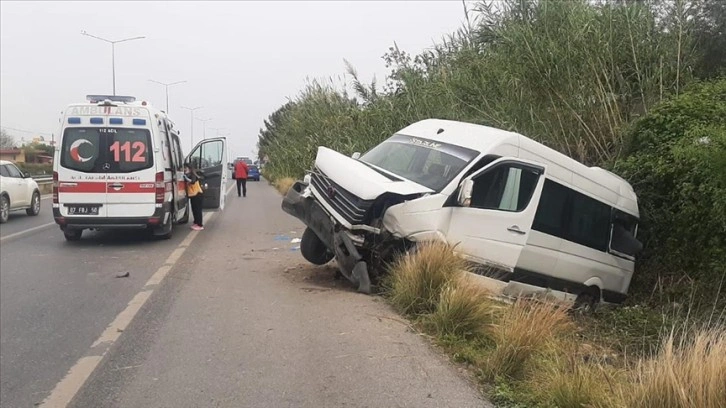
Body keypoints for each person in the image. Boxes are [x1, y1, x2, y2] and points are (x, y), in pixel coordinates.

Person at [184, 163, 205, 231]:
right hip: (193, 195)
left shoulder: (193, 175)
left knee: (198, 210)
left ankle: (200, 225)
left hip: (197, 194)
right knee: (194, 210)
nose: (184, 169)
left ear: (189, 169)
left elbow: (192, 182)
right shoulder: (188, 175)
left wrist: (186, 178)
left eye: (186, 168)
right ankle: (196, 222)